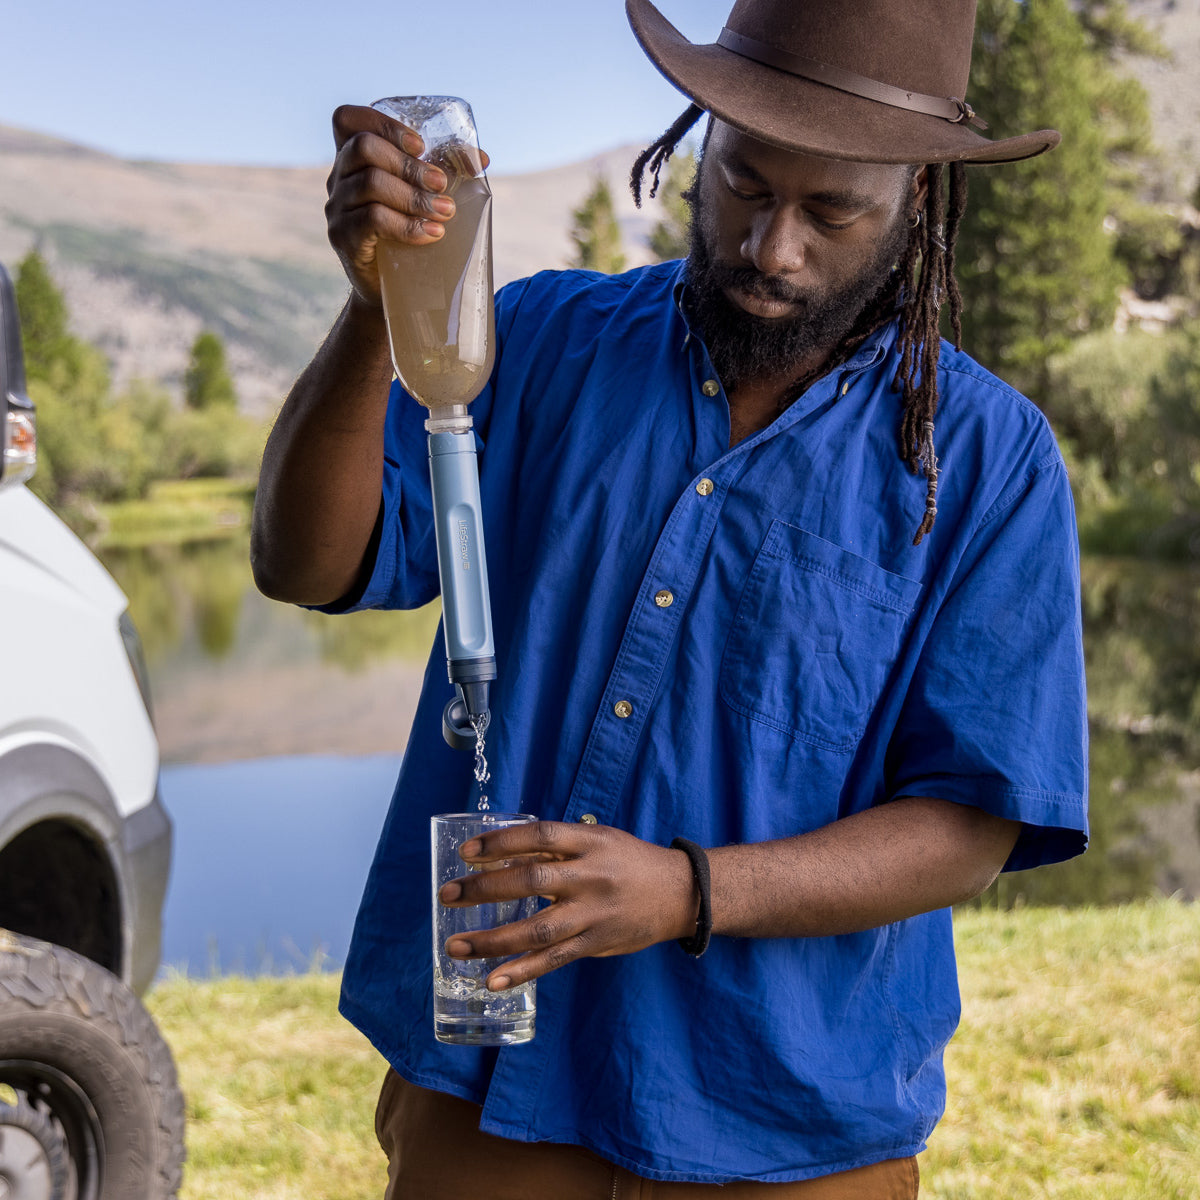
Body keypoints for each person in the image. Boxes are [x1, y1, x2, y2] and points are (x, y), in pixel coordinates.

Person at [251, 0, 1089, 1195]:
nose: (773, 249)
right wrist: (373, 305)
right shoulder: (536, 343)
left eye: (831, 212)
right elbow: (306, 563)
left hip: (789, 1126)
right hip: (490, 1090)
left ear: (917, 198)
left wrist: (687, 892)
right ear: (701, 140)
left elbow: (971, 828)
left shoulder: (990, 462)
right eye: (745, 185)